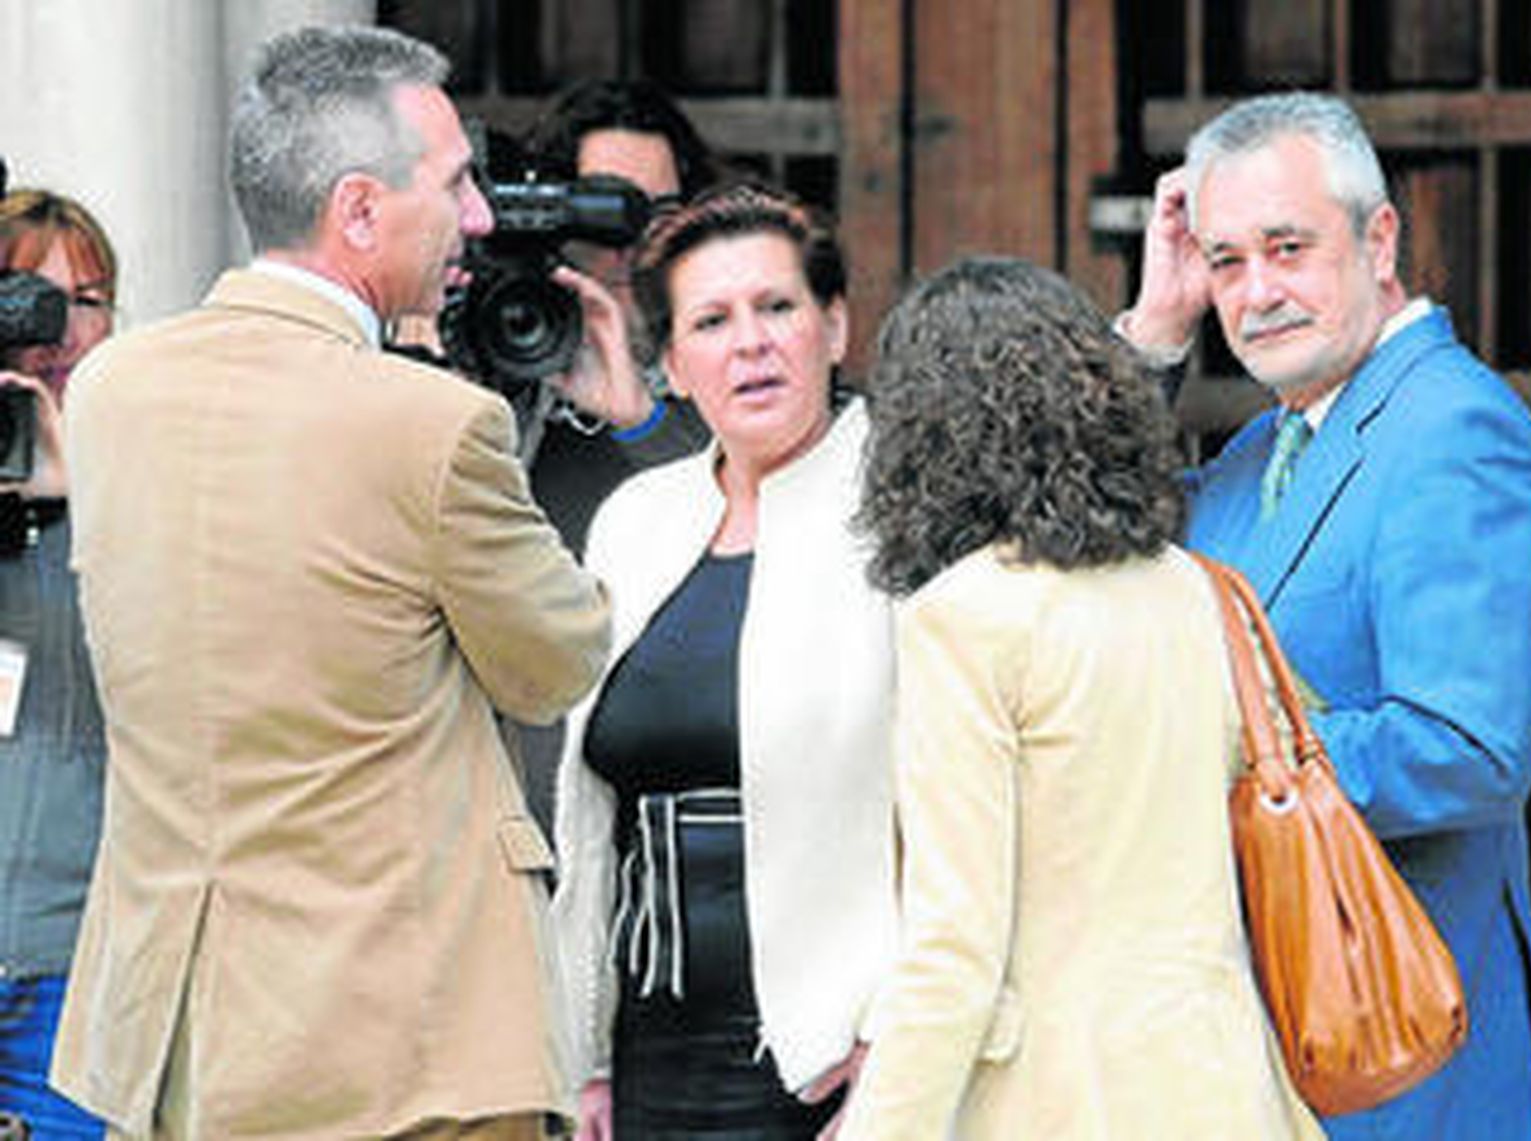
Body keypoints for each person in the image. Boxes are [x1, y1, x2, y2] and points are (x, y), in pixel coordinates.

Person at [51, 25, 612, 1140]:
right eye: (456, 183)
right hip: (406, 1052)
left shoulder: (110, 392)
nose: (482, 217)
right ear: (359, 211)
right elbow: (555, 662)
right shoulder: (433, 422)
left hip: (181, 1043)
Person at [1120, 91, 1531, 1138]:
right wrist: (1153, 333)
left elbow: (1466, 749)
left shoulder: (1456, 429)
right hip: (1263, 1062)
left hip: (1402, 1065)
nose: (1257, 292)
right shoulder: (1261, 449)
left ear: (1379, 239)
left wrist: (1211, 769)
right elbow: (1081, 537)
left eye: (1288, 248)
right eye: (1226, 261)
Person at [836, 255, 1323, 1139]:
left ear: (922, 435)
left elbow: (954, 953)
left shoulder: (962, 617)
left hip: (1059, 1099)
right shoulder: (1196, 588)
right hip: (1227, 1087)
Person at [552, 183, 896, 1140]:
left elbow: (967, 804)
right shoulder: (635, 520)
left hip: (836, 1056)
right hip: (651, 1055)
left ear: (834, 326)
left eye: (777, 306)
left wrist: (903, 1034)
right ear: (670, 362)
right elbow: (594, 820)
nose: (750, 343)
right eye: (711, 320)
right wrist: (586, 1057)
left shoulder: (903, 510)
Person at [0, 186, 117, 1140]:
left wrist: (73, 498)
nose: (61, 330)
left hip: (72, 961)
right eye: (30, 299)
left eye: (87, 300)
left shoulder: (146, 477)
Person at [522, 78, 722, 554]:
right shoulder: (493, 347)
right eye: (606, 213)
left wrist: (643, 421)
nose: (635, 246)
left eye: (661, 216)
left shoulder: (729, 357)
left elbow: (746, 526)